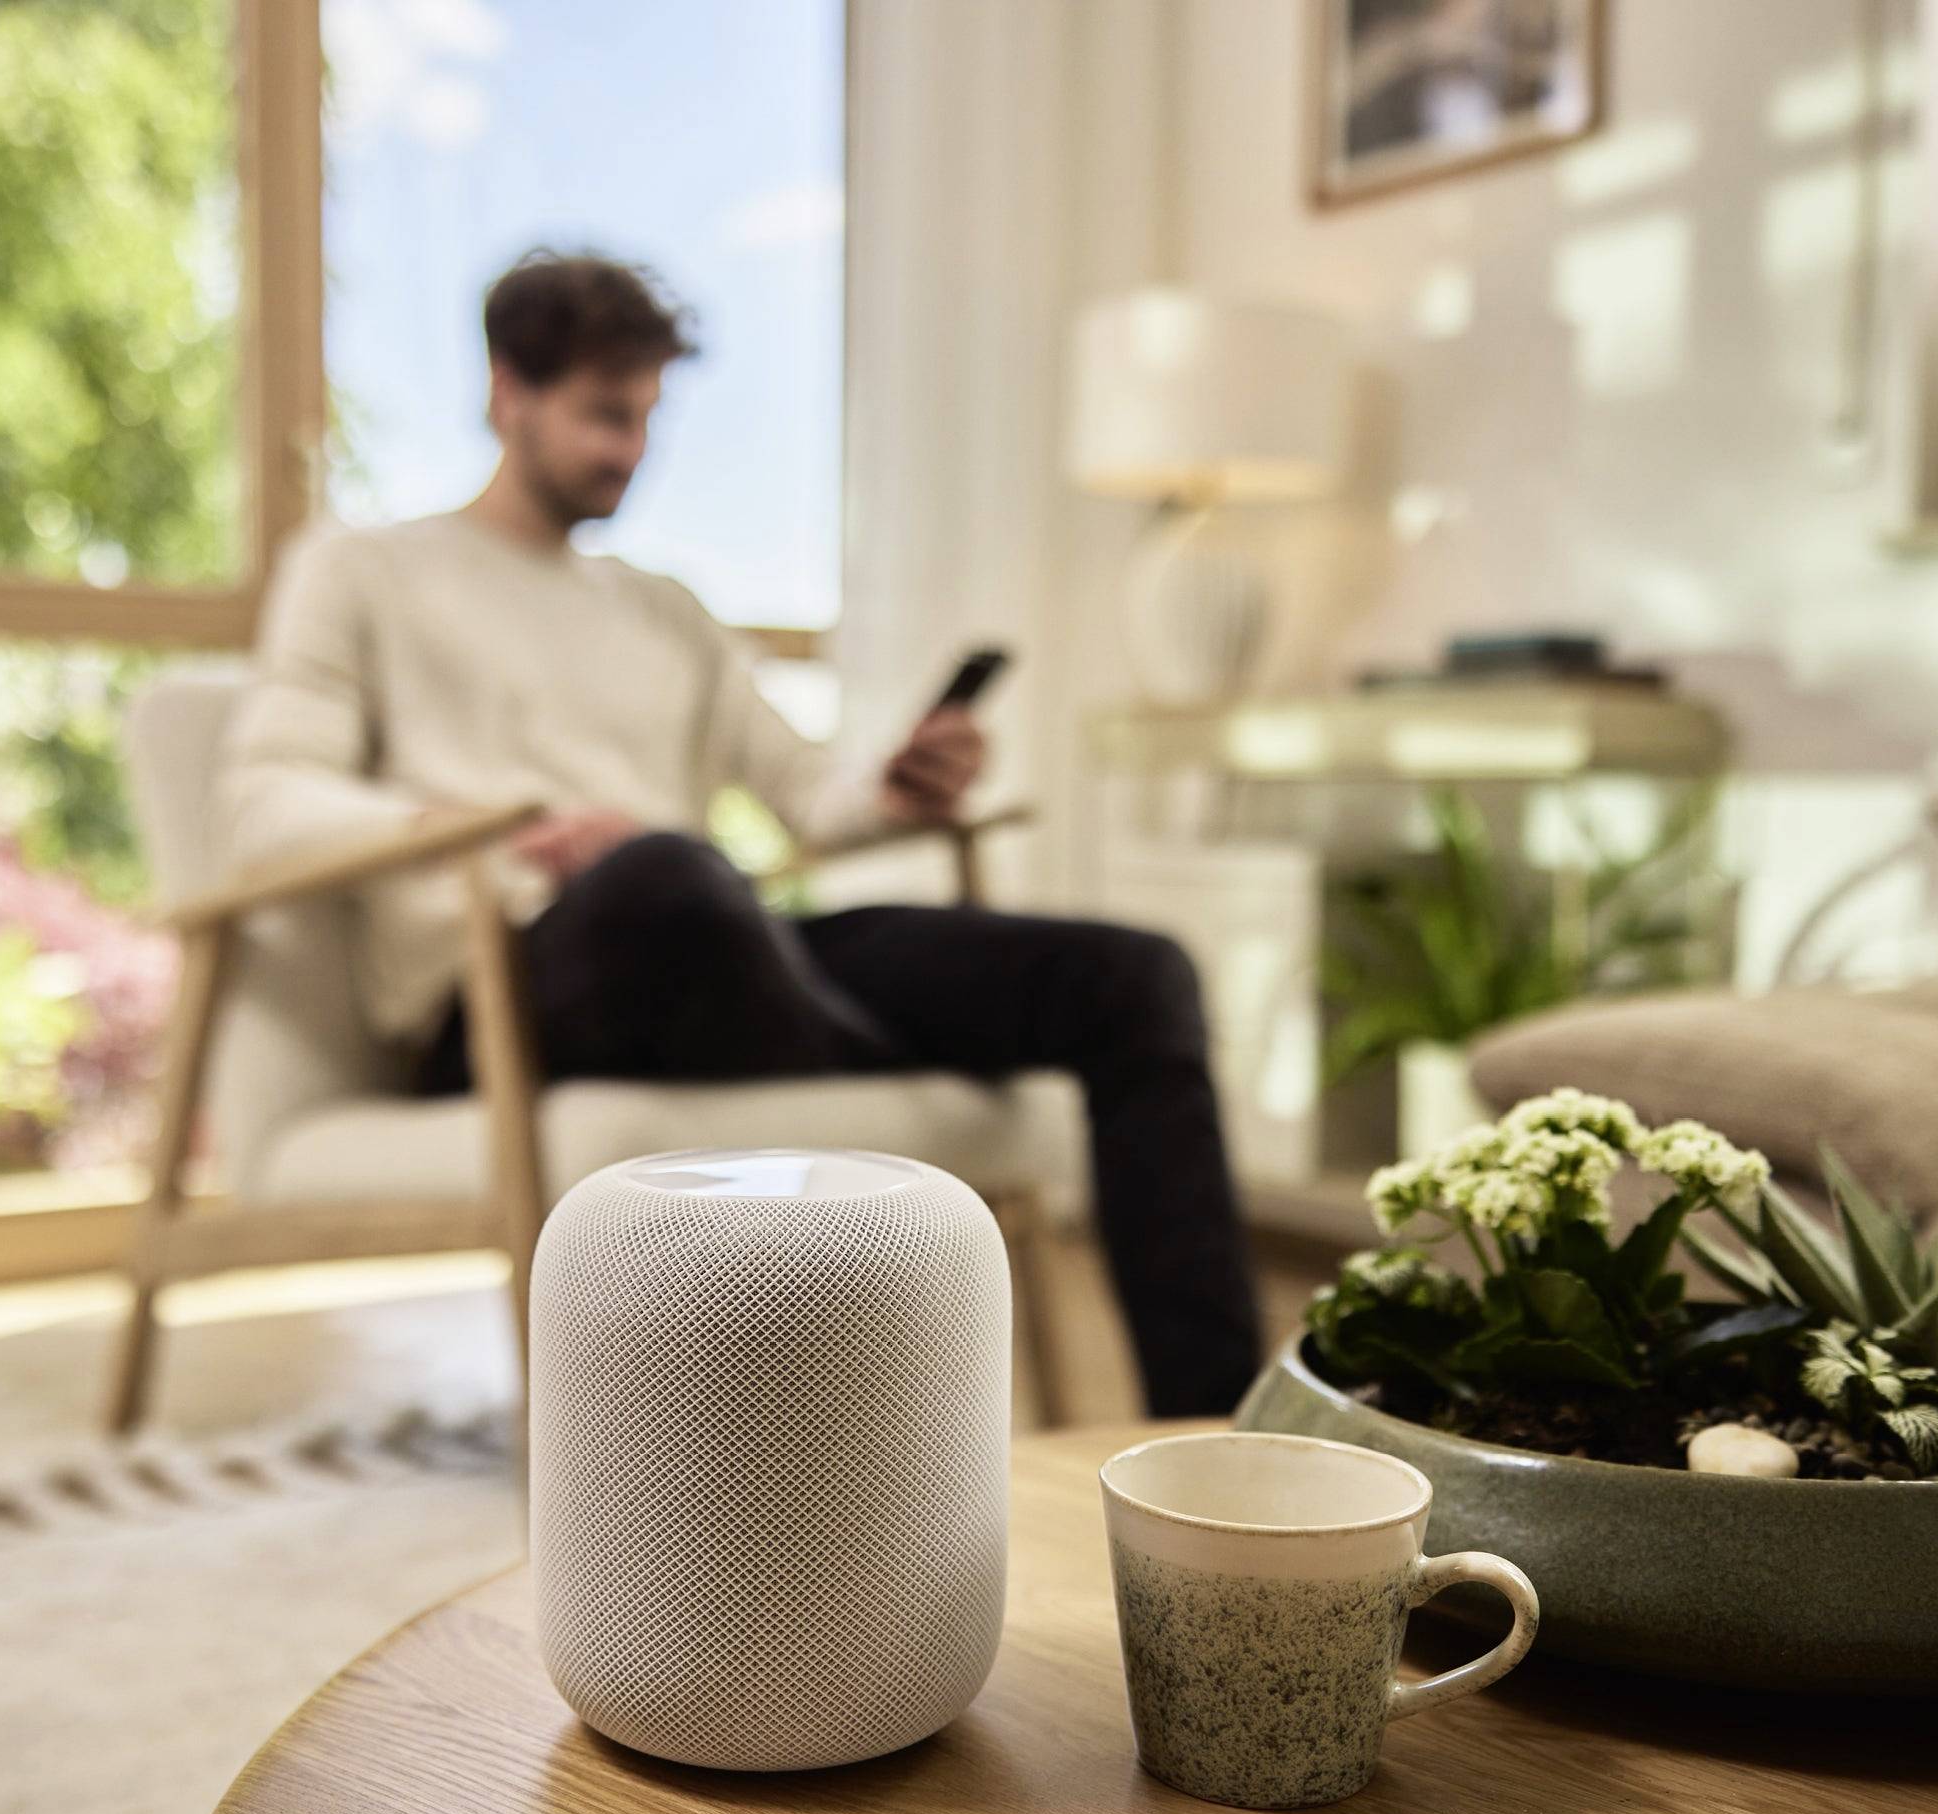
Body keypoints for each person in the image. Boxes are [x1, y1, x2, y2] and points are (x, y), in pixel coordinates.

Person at [220, 250, 1259, 1416]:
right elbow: (263, 807)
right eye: (604, 413)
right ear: (506, 390)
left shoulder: (663, 611)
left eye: (648, 416)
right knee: (664, 873)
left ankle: (1219, 1431)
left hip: (726, 956)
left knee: (1132, 975)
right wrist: (502, 828)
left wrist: (899, 789)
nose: (630, 449)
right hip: (514, 988)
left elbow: (809, 798)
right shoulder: (363, 571)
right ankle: (888, 1041)